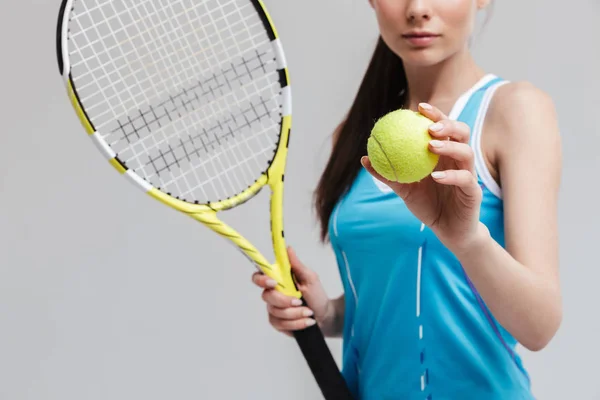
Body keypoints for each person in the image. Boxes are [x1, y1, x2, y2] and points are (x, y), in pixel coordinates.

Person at [252, 0, 563, 398]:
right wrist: (329, 314)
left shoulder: (515, 110)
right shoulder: (356, 137)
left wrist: (467, 240)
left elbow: (539, 326)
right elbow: (399, 289)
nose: (417, 8)